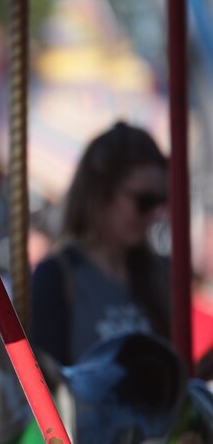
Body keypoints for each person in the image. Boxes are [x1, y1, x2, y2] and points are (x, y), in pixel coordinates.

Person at [29, 121, 170, 367]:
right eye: (144, 201)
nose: (154, 214)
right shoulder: (56, 277)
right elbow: (45, 383)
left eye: (161, 201)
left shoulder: (160, 273)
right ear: (101, 193)